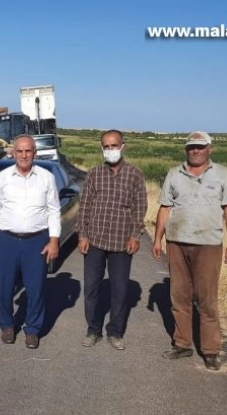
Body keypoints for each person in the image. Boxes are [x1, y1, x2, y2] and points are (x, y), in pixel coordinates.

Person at [151, 131, 227, 371]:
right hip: (177, 243)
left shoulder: (223, 174)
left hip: (208, 244)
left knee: (206, 298)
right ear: (186, 150)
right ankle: (182, 344)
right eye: (191, 147)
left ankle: (210, 350)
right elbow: (165, 208)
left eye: (200, 146)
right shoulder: (174, 174)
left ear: (210, 148)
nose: (196, 150)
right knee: (179, 295)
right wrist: (158, 239)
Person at [0, 135, 61, 349]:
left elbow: (54, 210)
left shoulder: (46, 177)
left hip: (37, 241)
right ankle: (7, 326)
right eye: (20, 151)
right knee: (4, 287)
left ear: (34, 153)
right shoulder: (4, 177)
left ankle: (33, 329)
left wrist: (54, 240)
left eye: (28, 151)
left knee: (36, 288)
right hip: (6, 240)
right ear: (13, 153)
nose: (24, 155)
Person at [76, 130, 147, 350]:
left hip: (121, 242)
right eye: (106, 147)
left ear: (122, 147)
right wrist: (82, 234)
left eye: (114, 146)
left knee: (120, 290)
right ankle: (93, 330)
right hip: (95, 240)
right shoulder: (94, 174)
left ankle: (115, 332)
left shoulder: (134, 175)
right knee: (91, 288)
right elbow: (85, 205)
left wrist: (135, 235)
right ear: (102, 149)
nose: (110, 150)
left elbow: (140, 207)